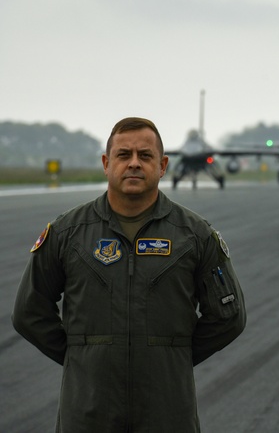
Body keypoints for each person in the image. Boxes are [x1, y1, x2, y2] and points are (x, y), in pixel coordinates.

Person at [12, 117, 247, 432]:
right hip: (87, 413)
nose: (134, 163)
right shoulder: (67, 233)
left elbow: (229, 315)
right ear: (107, 164)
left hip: (167, 412)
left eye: (145, 156)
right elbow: (29, 311)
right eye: (124, 155)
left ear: (162, 165)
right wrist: (83, 357)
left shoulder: (195, 235)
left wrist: (172, 356)